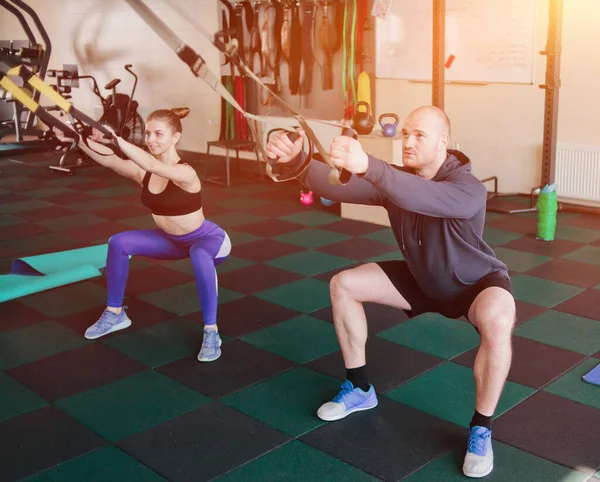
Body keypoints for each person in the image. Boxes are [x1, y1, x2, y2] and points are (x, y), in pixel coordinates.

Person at [265, 105, 515, 478]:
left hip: (473, 285)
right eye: (406, 134)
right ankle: (359, 387)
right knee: (344, 284)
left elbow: (421, 197)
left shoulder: (469, 188)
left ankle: (481, 428)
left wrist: (370, 165)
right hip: (421, 280)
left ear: (444, 143)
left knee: (498, 320)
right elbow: (334, 184)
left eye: (419, 136)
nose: (408, 142)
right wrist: (297, 161)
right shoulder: (396, 180)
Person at [54, 107, 231, 362]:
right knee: (118, 243)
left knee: (199, 254)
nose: (151, 139)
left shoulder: (186, 173)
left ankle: (211, 332)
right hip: (170, 241)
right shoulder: (144, 173)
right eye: (148, 133)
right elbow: (109, 160)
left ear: (175, 138)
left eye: (159, 134)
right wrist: (78, 138)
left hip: (208, 240)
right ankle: (115, 313)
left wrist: (117, 140)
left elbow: (149, 162)